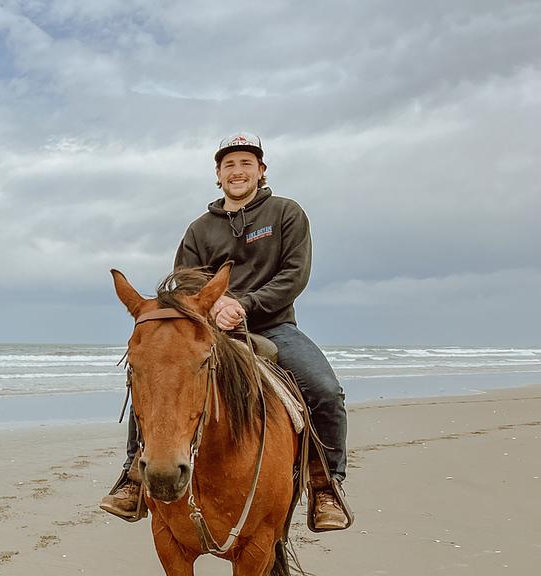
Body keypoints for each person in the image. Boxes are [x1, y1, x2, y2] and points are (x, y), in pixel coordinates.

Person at [100, 134, 352, 531]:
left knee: (324, 390)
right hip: (210, 329)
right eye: (229, 165)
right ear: (218, 175)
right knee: (157, 379)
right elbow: (183, 285)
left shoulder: (286, 213)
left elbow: (294, 274)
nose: (238, 171)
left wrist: (244, 305)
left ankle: (326, 487)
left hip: (273, 325)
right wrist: (209, 305)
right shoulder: (200, 230)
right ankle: (133, 478)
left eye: (246, 164)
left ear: (261, 171)